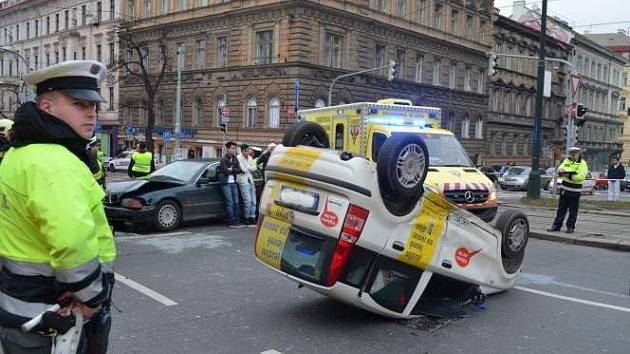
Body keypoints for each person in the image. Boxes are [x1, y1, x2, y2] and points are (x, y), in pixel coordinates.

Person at [0, 60, 116, 353]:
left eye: (93, 105)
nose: (91, 112)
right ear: (47, 107)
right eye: (79, 104)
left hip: (22, 306)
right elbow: (72, 244)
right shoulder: (55, 162)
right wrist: (91, 298)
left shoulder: (21, 153)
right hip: (56, 314)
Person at [547, 147, 589, 233]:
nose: (572, 155)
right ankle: (556, 226)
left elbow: (581, 176)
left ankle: (570, 227)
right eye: (571, 154)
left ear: (578, 154)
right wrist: (566, 173)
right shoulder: (566, 161)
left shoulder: (582, 163)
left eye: (574, 154)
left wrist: (568, 175)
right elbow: (560, 170)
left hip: (575, 191)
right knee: (561, 209)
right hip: (564, 189)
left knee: (573, 211)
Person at [219, 141, 243, 227]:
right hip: (225, 183)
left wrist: (231, 169)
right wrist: (233, 169)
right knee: (230, 202)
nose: (234, 150)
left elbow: (239, 170)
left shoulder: (236, 158)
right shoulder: (223, 159)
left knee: (236, 202)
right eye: (232, 148)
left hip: (234, 182)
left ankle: (237, 219)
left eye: (235, 148)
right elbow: (225, 171)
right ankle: (231, 220)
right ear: (228, 149)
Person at [237, 143, 258, 225]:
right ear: (241, 151)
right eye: (245, 151)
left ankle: (252, 217)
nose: (247, 152)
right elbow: (243, 169)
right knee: (247, 200)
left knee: (253, 201)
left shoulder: (250, 157)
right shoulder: (239, 158)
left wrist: (248, 167)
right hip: (243, 181)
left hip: (251, 181)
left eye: (247, 150)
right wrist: (249, 167)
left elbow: (255, 168)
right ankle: (246, 217)